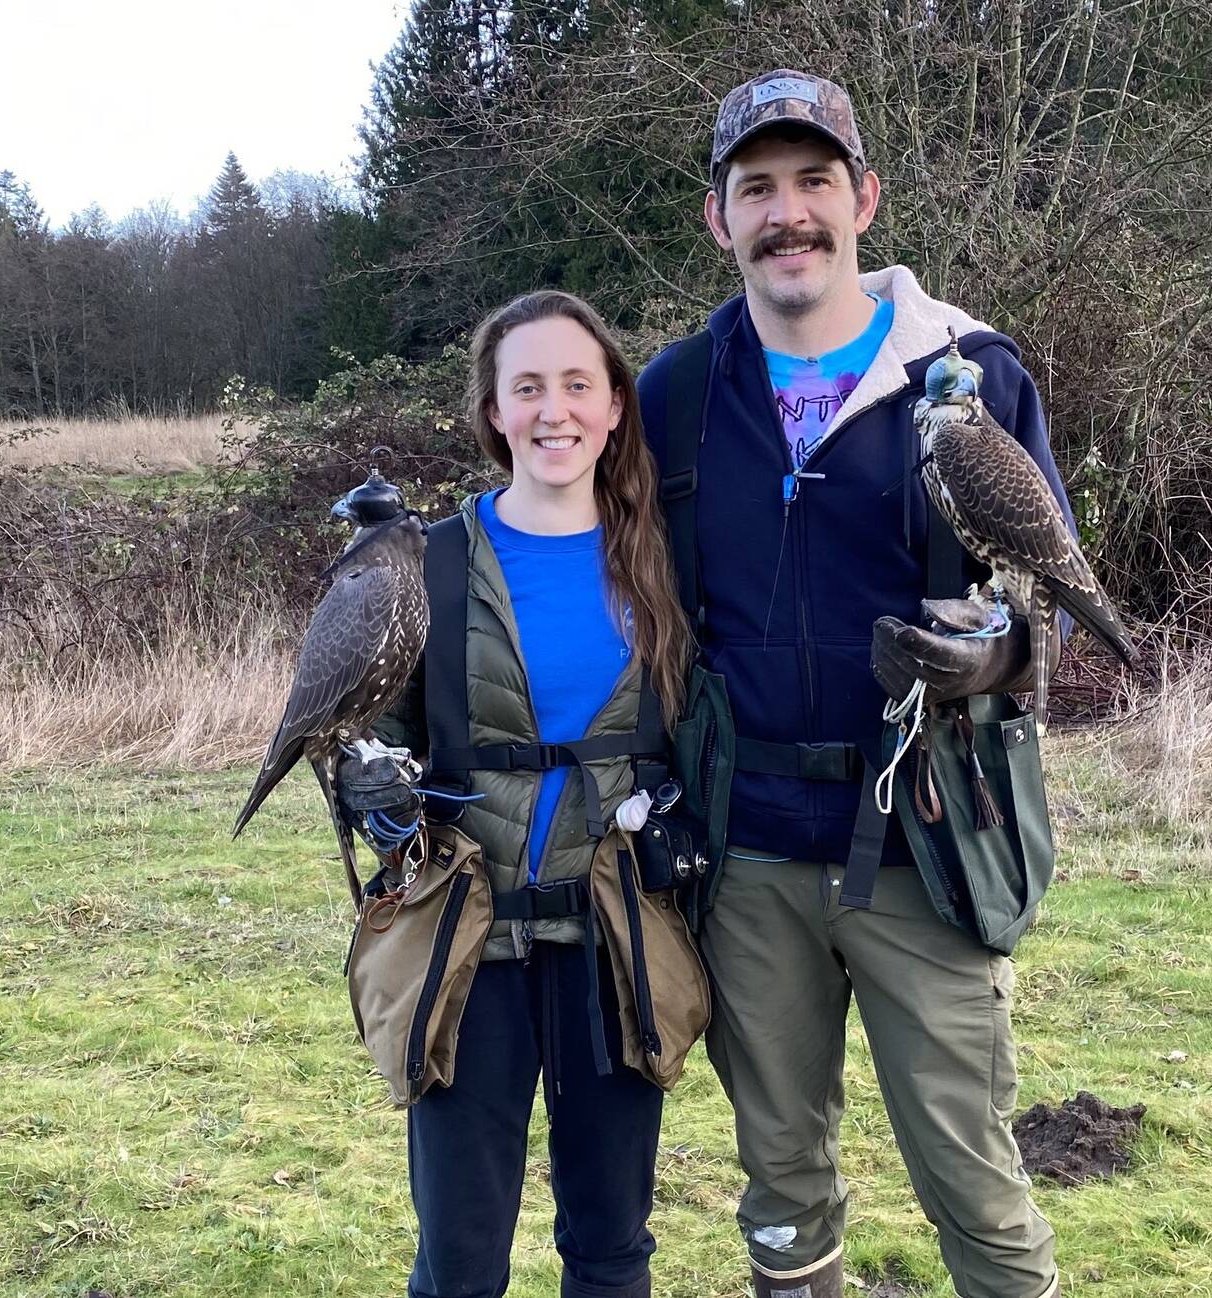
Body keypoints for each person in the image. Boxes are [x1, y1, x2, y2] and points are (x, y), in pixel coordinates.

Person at [635, 71, 1074, 1298]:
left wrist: (1000, 656)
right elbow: (633, 607)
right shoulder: (670, 397)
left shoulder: (972, 375)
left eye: (813, 181)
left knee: (973, 1181)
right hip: (748, 858)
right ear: (716, 219)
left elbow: (1052, 600)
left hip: (921, 845)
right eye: (756, 189)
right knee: (778, 1180)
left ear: (863, 197)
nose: (789, 214)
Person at [363, 289, 699, 1298]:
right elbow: (375, 725)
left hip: (614, 939)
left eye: (575, 385)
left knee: (609, 1249)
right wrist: (371, 788)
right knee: (459, 1262)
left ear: (611, 408)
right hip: (468, 944)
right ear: (494, 412)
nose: (553, 411)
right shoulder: (424, 560)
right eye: (527, 388)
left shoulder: (667, 558)